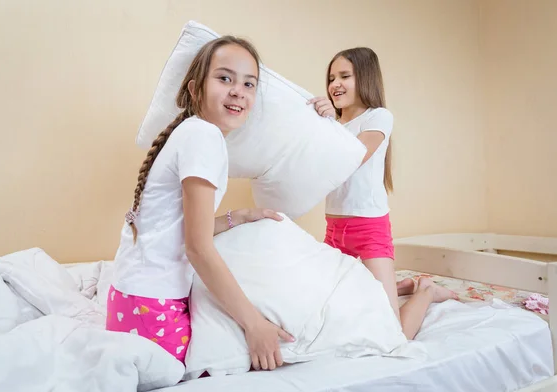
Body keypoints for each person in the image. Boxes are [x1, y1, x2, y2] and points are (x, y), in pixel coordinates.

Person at [106, 36, 294, 371]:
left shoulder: (192, 132)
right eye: (225, 78)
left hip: (131, 299)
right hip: (152, 308)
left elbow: (177, 227)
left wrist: (238, 217)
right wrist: (254, 325)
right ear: (195, 90)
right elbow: (198, 248)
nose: (238, 91)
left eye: (248, 83)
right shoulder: (203, 137)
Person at [308, 47, 457, 340]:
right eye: (331, 78)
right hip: (334, 229)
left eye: (344, 76)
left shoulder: (378, 117)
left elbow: (352, 156)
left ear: (365, 78)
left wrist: (325, 125)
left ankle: (426, 291)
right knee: (332, 312)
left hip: (367, 229)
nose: (335, 84)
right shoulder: (334, 126)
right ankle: (400, 287)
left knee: (393, 333)